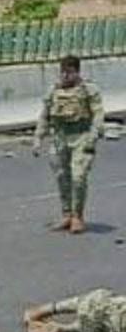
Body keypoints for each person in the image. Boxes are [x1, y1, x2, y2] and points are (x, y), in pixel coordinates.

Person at [32, 55, 104, 234]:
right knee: (62, 176)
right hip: (60, 138)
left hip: (81, 136)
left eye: (69, 72)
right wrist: (38, 138)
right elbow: (44, 116)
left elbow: (98, 115)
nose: (65, 76)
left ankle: (77, 216)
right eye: (63, 72)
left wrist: (93, 137)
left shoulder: (89, 90)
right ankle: (67, 214)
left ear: (77, 72)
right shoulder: (53, 91)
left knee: (78, 177)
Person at [24, 289, 126, 332]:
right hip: (110, 330)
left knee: (83, 302)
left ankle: (49, 309)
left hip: (107, 308)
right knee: (80, 328)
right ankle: (67, 329)